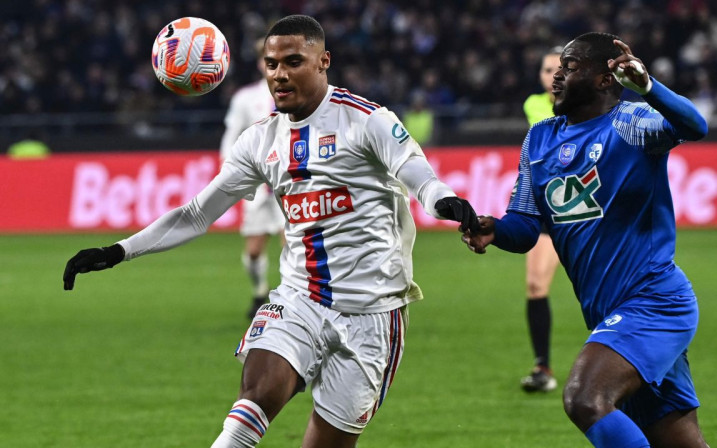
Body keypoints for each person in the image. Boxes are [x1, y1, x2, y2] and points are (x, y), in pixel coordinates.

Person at [63, 15, 479, 448]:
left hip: (373, 314)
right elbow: (196, 214)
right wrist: (117, 251)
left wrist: (444, 202)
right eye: (271, 64)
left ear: (323, 62)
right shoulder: (259, 141)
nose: (279, 75)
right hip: (299, 299)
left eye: (293, 61)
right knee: (255, 398)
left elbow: (418, 174)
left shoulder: (367, 121)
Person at [461, 33, 710, 447]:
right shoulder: (539, 139)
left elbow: (694, 126)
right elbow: (525, 227)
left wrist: (648, 88)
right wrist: (495, 230)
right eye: (558, 67)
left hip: (653, 303)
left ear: (603, 79)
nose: (557, 77)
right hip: (606, 314)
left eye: (570, 67)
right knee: (678, 440)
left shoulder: (630, 124)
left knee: (584, 398)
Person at [220, 36, 286, 318]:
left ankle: (289, 298)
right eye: (267, 59)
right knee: (255, 250)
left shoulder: (298, 93)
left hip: (290, 181)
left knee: (293, 244)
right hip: (258, 184)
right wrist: (231, 173)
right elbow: (230, 138)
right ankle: (260, 292)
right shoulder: (246, 99)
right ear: (261, 64)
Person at [519, 46, 563, 393]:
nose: (552, 77)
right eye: (547, 70)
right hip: (549, 206)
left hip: (584, 208)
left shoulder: (591, 104)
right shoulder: (535, 106)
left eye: (558, 70)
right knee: (536, 285)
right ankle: (543, 367)